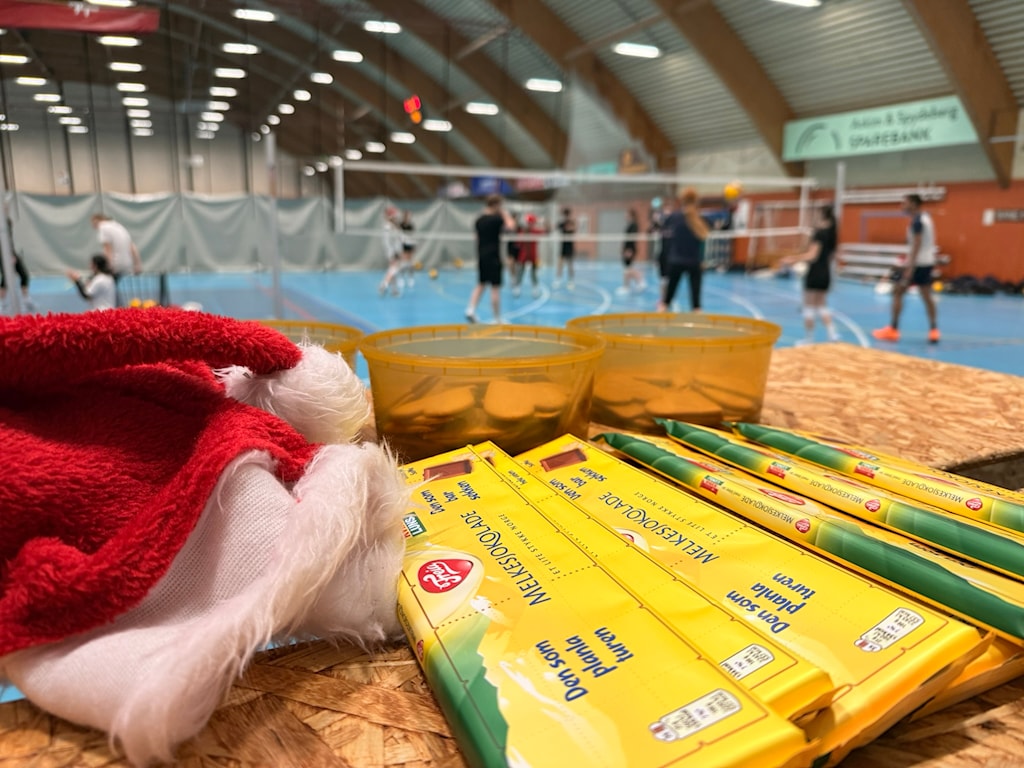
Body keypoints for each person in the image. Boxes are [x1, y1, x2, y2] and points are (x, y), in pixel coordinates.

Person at [873, 194, 940, 344]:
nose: (902, 206)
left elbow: (917, 244)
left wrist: (909, 267)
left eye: (905, 203)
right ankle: (934, 330)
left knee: (898, 292)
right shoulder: (926, 218)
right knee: (926, 296)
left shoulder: (917, 221)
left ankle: (893, 329)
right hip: (927, 262)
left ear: (914, 204)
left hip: (917, 264)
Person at [779, 205, 840, 343]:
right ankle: (832, 334)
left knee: (809, 305)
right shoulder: (832, 234)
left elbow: (813, 256)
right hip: (826, 273)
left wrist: (792, 259)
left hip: (815, 272)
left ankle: (809, 339)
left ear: (821, 216)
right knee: (822, 305)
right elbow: (832, 256)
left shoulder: (819, 233)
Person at [466, 194, 515, 323]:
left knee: (481, 284)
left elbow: (476, 237)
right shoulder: (497, 219)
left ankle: (470, 310)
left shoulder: (479, 220)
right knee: (495, 288)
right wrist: (504, 214)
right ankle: (497, 318)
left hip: (481, 255)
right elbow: (511, 226)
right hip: (494, 257)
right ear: (497, 205)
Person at [658, 188, 709, 312]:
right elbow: (702, 243)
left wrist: (663, 260)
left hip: (675, 261)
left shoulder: (673, 217)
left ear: (682, 200)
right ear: (696, 201)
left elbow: (665, 240)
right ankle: (698, 323)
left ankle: (659, 320)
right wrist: (702, 260)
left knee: (666, 301)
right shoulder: (700, 219)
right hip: (694, 262)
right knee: (696, 305)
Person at [91, 214, 141, 278]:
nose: (93, 227)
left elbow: (108, 250)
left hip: (116, 265)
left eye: (93, 224)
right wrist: (137, 264)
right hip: (128, 265)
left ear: (98, 221)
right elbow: (132, 247)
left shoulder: (103, 227)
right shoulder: (119, 226)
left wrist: (107, 268)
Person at [0, 218, 34, 313]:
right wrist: (8, 256)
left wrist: (11, 254)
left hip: (11, 252)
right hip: (3, 255)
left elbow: (8, 241)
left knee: (24, 275)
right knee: (6, 279)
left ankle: (26, 300)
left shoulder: (6, 222)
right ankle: (2, 303)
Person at [513, 213, 542, 299]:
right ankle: (517, 287)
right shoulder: (522, 232)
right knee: (520, 272)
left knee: (534, 273)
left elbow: (547, 231)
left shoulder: (535, 231)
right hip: (523, 256)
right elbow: (517, 243)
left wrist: (543, 222)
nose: (530, 225)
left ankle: (535, 288)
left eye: (532, 223)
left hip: (533, 256)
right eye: (529, 223)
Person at [616, 208, 645, 295]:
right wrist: (623, 248)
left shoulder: (634, 225)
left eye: (627, 214)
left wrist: (629, 250)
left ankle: (639, 282)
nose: (625, 215)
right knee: (627, 269)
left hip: (630, 249)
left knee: (628, 269)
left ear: (631, 215)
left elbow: (632, 239)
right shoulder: (630, 224)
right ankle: (627, 286)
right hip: (627, 249)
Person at [377, 207, 404, 296]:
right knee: (394, 268)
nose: (396, 217)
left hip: (395, 250)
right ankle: (384, 284)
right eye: (394, 216)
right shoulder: (388, 227)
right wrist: (392, 253)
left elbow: (399, 238)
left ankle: (394, 290)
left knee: (393, 270)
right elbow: (388, 242)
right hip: (392, 251)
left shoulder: (394, 226)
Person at [554, 206, 576, 290]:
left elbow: (572, 229)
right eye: (565, 214)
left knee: (570, 265)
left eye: (567, 214)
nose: (566, 216)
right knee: (560, 264)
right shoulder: (562, 223)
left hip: (570, 246)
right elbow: (556, 227)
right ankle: (558, 280)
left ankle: (571, 281)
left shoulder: (572, 222)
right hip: (563, 246)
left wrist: (568, 226)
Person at [399, 210, 416, 290]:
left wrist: (413, 245)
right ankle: (401, 278)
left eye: (409, 216)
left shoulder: (411, 226)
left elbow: (413, 235)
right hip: (402, 245)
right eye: (407, 216)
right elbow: (399, 235)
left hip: (410, 244)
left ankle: (410, 278)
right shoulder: (401, 225)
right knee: (403, 262)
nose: (408, 218)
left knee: (410, 262)